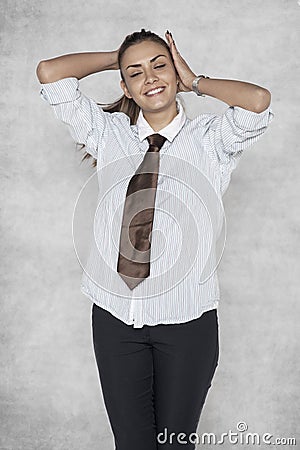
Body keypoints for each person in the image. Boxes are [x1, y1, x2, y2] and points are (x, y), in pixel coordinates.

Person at [36, 29, 274, 450]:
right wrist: (119, 58)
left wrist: (195, 80)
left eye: (159, 65)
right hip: (115, 321)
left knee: (175, 444)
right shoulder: (108, 134)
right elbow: (50, 73)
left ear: (176, 71)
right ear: (125, 86)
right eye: (136, 73)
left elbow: (257, 101)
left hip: (187, 324)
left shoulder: (211, 140)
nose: (150, 77)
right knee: (132, 443)